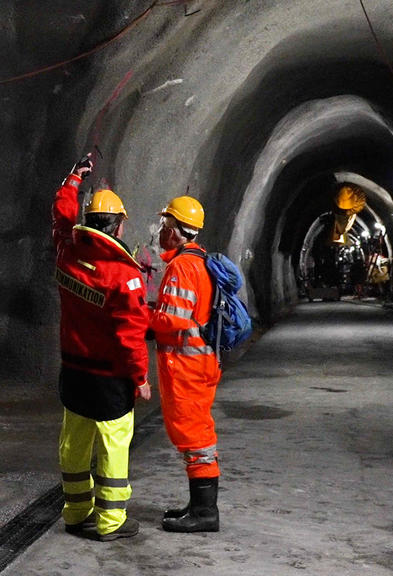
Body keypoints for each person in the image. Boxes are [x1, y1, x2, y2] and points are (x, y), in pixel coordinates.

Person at [52, 153, 151, 541]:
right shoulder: (124, 277)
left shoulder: (68, 252)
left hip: (73, 372)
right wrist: (140, 378)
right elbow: (130, 337)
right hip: (109, 378)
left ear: (89, 222)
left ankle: (76, 512)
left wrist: (73, 179)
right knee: (113, 445)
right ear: (120, 225)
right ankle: (111, 520)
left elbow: (60, 217)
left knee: (74, 441)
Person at [150, 196, 222, 532]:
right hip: (200, 361)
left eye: (166, 226)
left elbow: (174, 320)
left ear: (179, 231)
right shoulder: (199, 261)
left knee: (195, 436)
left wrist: (148, 318)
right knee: (196, 434)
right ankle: (198, 505)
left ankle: (205, 513)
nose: (161, 232)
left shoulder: (182, 266)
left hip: (186, 365)